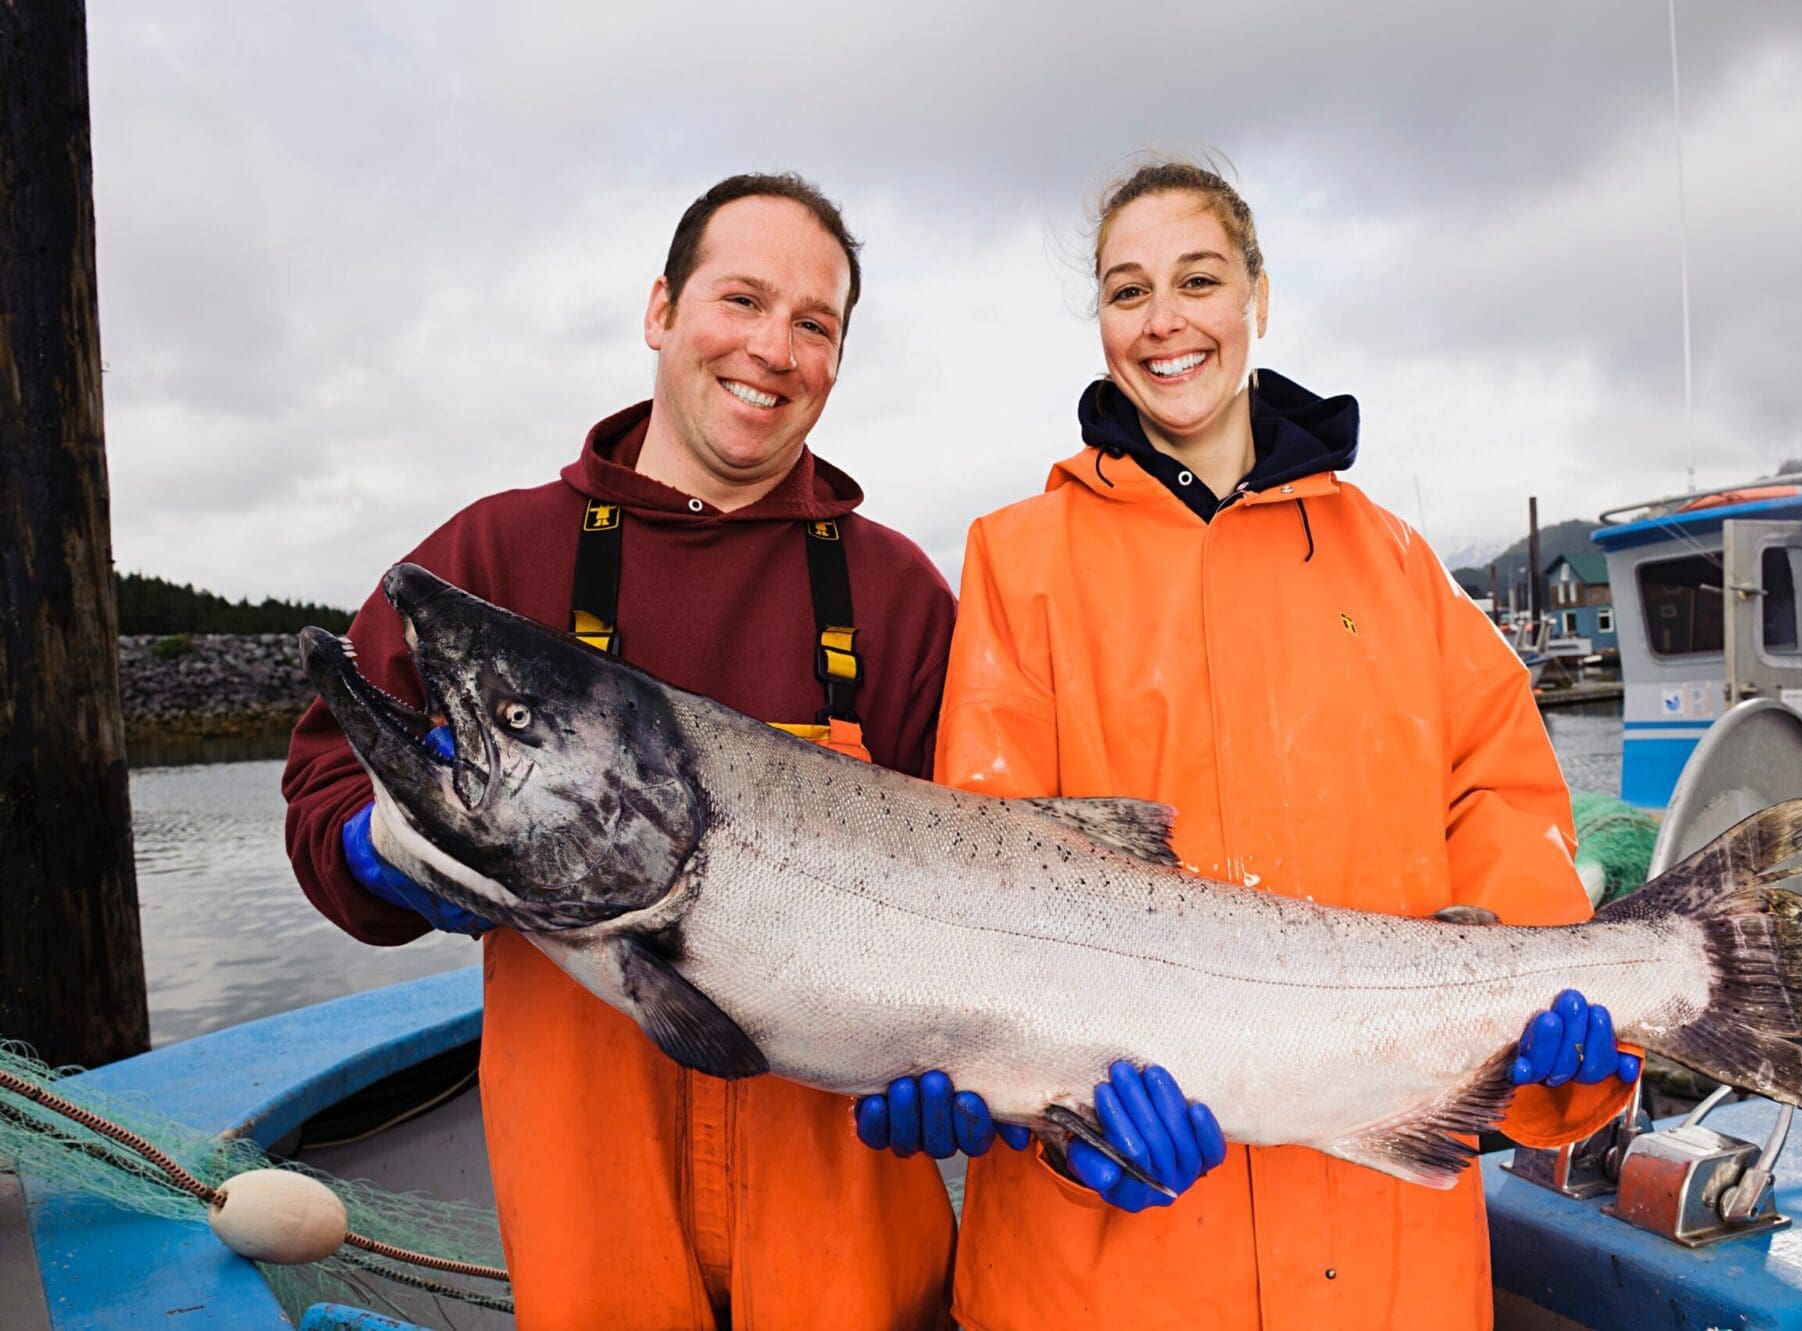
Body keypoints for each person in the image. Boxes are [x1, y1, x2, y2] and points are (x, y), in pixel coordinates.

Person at [915, 158, 1641, 1330]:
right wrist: (1050, 1121)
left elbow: (1500, 807)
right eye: (1125, 290)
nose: (1162, 322)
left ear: (1258, 294)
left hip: (1381, 1258)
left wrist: (1554, 1028)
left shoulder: (1400, 568)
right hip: (1105, 1268)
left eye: (1196, 279)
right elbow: (988, 893)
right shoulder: (1016, 561)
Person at [282, 173, 959, 1330]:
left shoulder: (896, 594)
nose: (771, 348)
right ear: (660, 311)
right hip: (592, 1218)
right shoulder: (492, 555)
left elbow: (992, 877)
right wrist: (381, 850)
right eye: (740, 299)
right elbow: (322, 793)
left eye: (814, 324)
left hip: (845, 1200)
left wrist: (984, 1071)